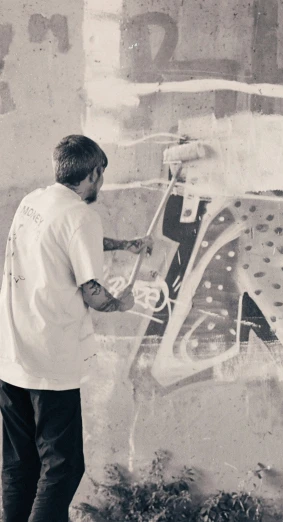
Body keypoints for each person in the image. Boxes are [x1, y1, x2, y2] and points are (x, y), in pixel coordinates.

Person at [0, 135, 153, 521]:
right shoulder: (82, 215)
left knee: (21, 466)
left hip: (11, 354)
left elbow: (66, 241)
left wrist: (125, 245)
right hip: (50, 362)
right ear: (95, 172)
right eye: (102, 175)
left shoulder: (33, 202)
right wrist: (121, 303)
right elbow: (92, 292)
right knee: (63, 468)